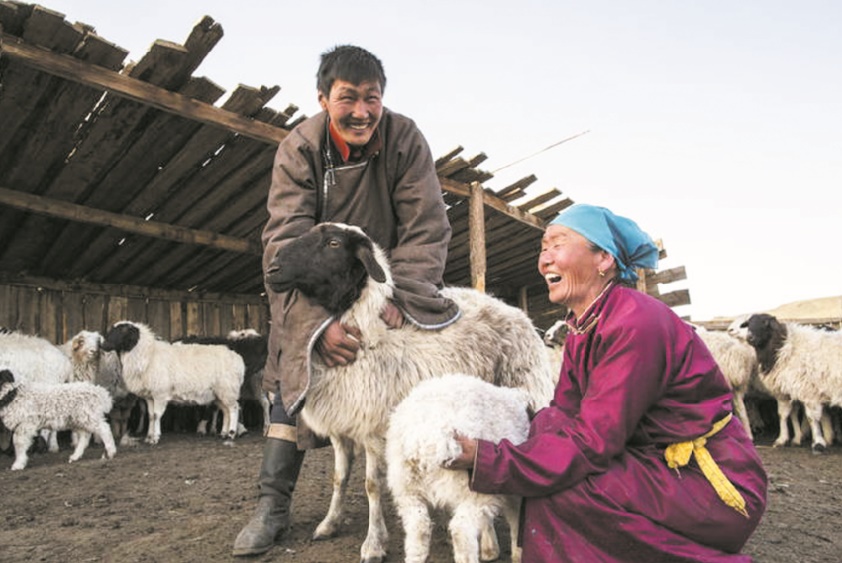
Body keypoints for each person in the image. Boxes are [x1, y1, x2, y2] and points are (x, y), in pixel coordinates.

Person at [232, 45, 460, 557]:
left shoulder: (403, 139)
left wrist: (401, 292)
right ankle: (272, 504)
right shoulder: (299, 148)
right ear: (323, 98)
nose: (362, 111)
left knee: (414, 375)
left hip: (384, 281)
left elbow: (426, 223)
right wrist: (317, 326)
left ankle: (451, 487)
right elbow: (286, 241)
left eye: (372, 98)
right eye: (348, 98)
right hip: (317, 284)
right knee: (288, 372)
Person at [446, 204, 768, 562]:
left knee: (566, 484)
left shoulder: (634, 322)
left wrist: (490, 459)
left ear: (603, 259)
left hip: (712, 484)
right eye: (543, 248)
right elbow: (563, 415)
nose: (545, 259)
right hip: (658, 469)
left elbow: (592, 443)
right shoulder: (585, 325)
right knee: (547, 426)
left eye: (558, 245)